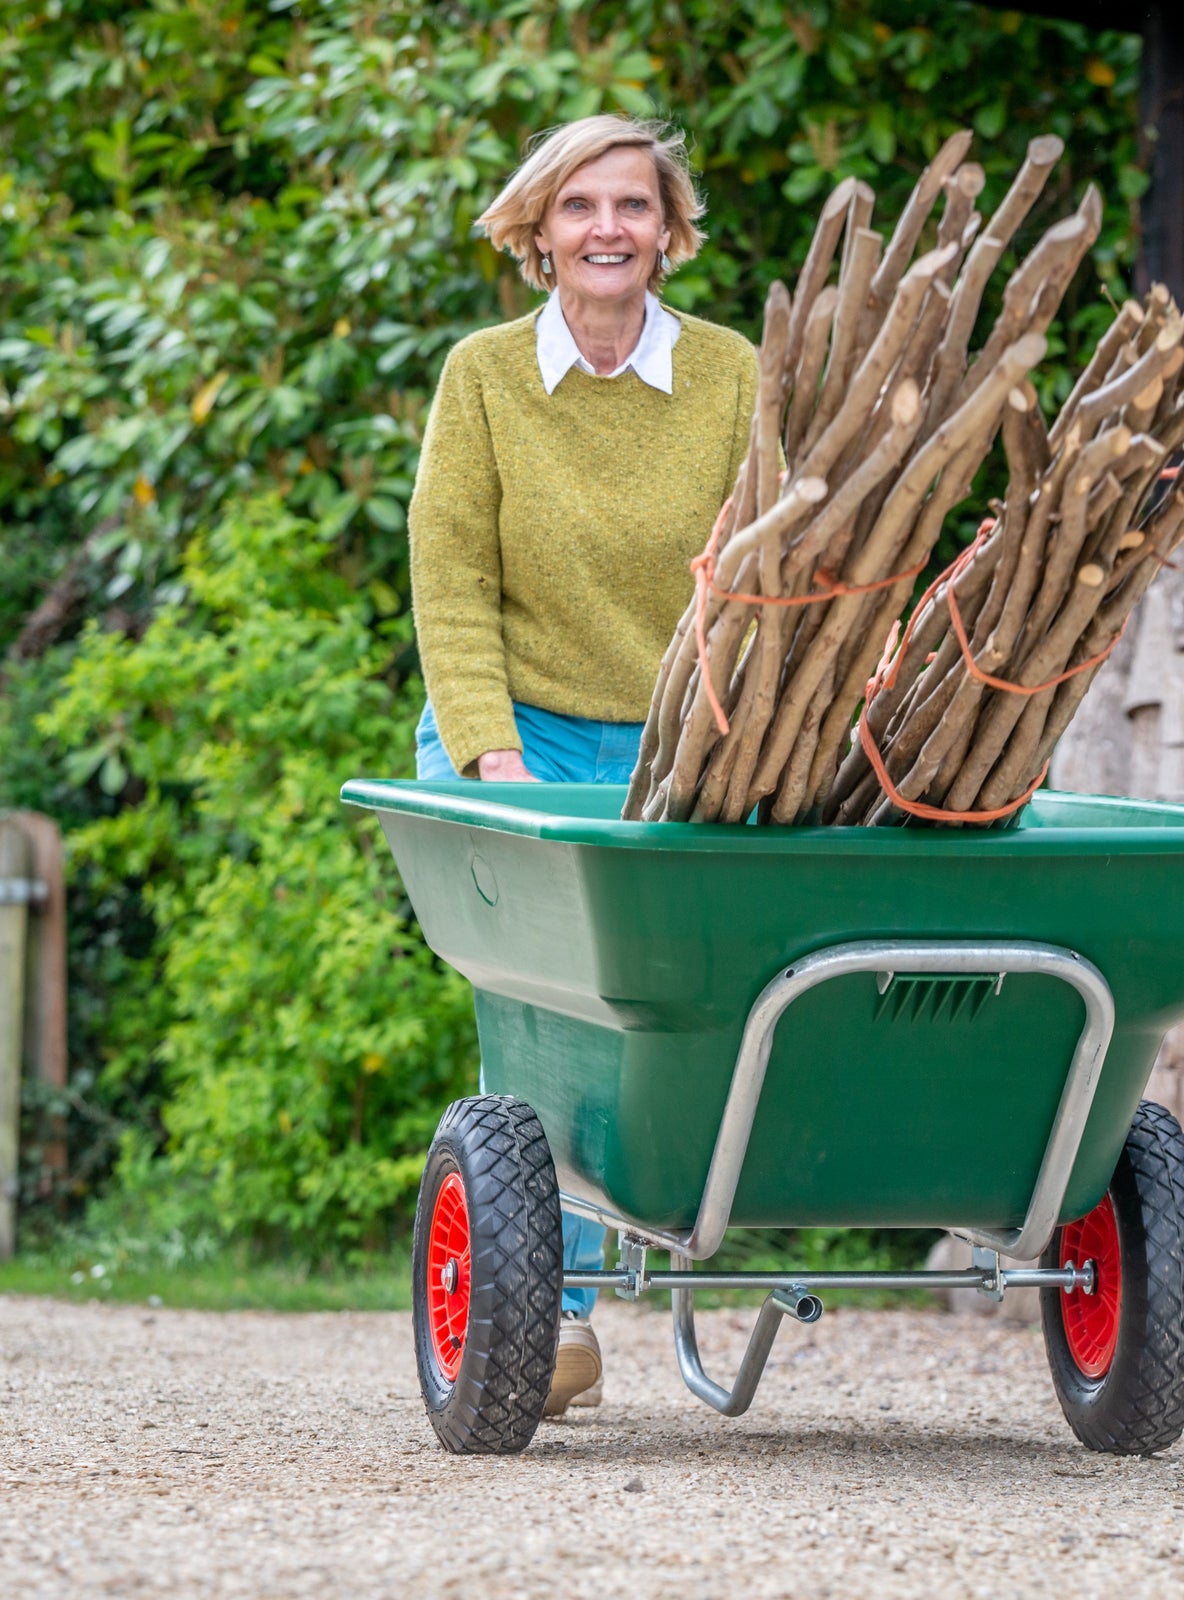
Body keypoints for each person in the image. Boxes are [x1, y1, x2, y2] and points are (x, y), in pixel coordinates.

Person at [407, 115, 759, 1415]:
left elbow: (767, 576)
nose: (607, 228)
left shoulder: (731, 374)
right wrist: (495, 763)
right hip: (522, 726)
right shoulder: (485, 379)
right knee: (546, 1002)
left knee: (655, 1005)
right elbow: (451, 585)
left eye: (632, 205)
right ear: (535, 232)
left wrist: (735, 741)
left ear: (669, 233)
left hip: (679, 734)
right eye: (578, 207)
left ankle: (610, 1253)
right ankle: (545, 1315)